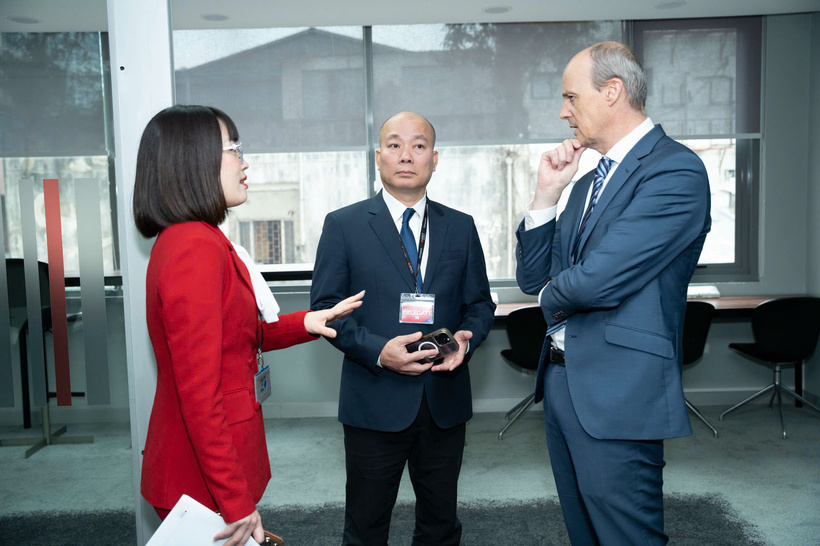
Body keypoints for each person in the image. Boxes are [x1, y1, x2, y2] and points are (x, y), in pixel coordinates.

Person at [133, 105, 363, 546]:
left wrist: (307, 322)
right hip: (200, 476)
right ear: (192, 160)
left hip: (209, 466)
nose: (245, 161)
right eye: (234, 148)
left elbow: (235, 338)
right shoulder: (193, 247)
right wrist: (236, 505)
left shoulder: (198, 238)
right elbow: (199, 395)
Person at [515, 42, 711, 544]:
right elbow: (534, 277)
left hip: (619, 389)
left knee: (627, 535)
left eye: (570, 97)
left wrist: (546, 299)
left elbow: (598, 280)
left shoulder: (674, 171)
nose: (563, 111)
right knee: (586, 534)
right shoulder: (584, 184)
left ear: (612, 91)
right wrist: (545, 196)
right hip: (561, 383)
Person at [310, 111, 496, 545]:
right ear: (378, 157)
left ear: (435, 158)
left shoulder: (461, 226)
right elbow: (326, 310)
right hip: (374, 400)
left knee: (440, 526)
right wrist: (379, 351)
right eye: (394, 145)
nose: (406, 155)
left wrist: (467, 339)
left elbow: (481, 304)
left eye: (418, 145)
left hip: (443, 402)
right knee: (365, 527)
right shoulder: (344, 225)